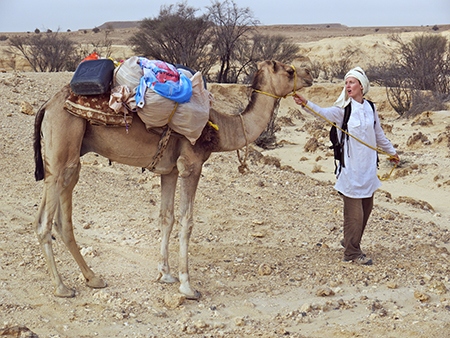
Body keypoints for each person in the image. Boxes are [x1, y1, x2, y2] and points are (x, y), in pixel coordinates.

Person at [293, 66, 400, 265]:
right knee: (355, 216)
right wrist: (305, 103)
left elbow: (378, 135)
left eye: (351, 82)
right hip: (350, 172)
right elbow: (322, 113)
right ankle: (351, 253)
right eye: (346, 82)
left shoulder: (370, 107)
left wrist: (392, 152)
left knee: (366, 211)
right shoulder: (343, 110)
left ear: (361, 85)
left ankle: (349, 239)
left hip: (368, 171)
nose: (348, 85)